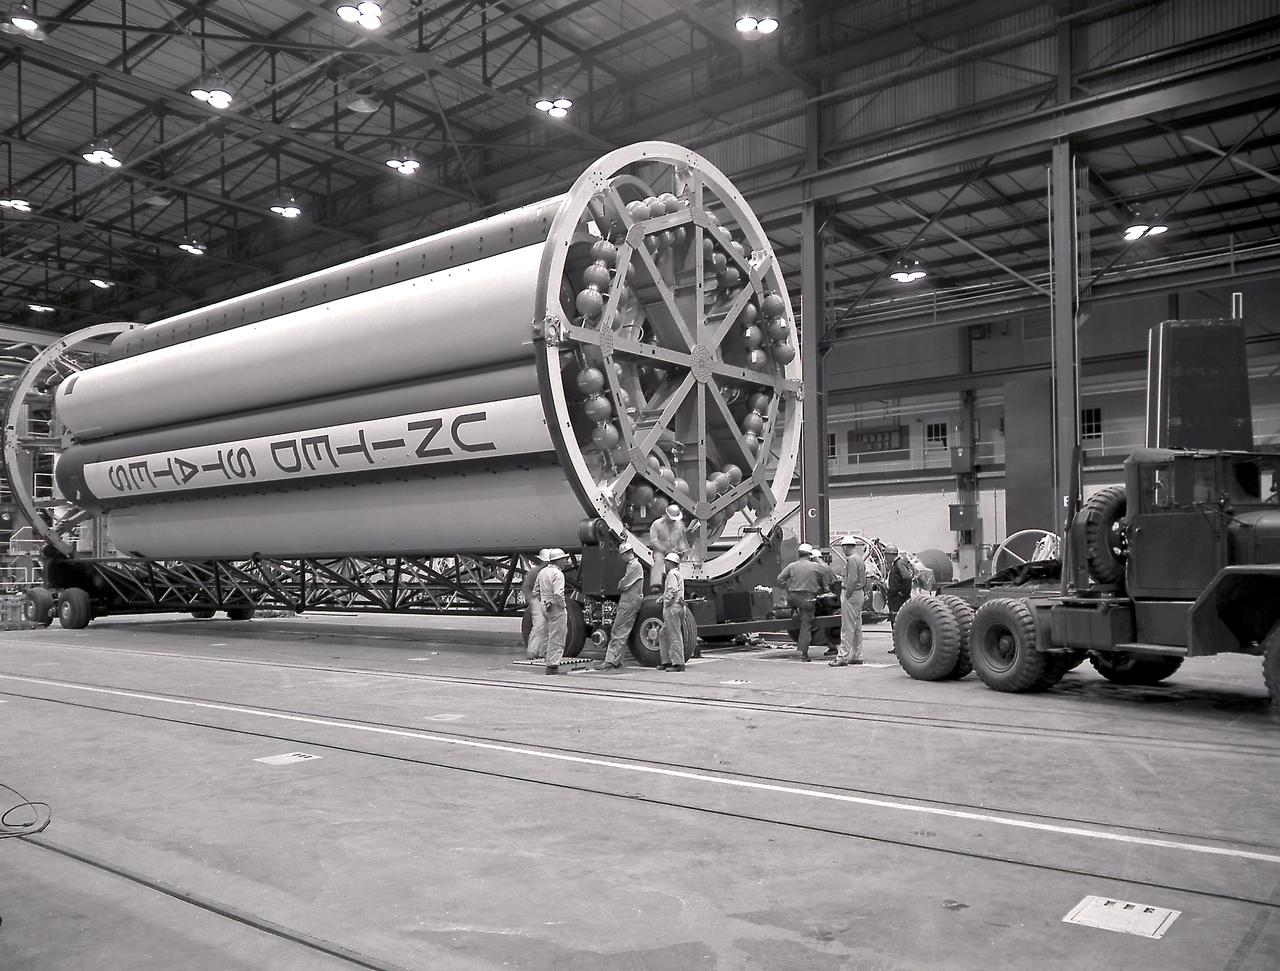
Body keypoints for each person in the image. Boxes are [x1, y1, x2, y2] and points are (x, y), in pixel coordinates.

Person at [777, 543, 834, 661]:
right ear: (809, 555)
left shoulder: (791, 566)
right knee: (806, 625)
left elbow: (779, 579)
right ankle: (804, 654)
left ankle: (795, 613)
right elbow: (828, 572)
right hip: (807, 599)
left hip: (793, 598)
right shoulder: (814, 566)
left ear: (799, 554)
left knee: (796, 607)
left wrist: (787, 588)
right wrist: (818, 559)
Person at [597, 542, 644, 671]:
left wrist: (620, 584)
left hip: (629, 602)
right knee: (622, 631)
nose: (621, 558)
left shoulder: (634, 566)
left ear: (626, 553)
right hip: (630, 601)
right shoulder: (634, 565)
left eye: (622, 555)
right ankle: (617, 660)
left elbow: (623, 585)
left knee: (618, 630)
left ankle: (611, 661)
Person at [832, 536, 867, 667]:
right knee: (857, 627)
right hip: (859, 594)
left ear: (846, 547)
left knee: (847, 627)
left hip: (851, 594)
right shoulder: (859, 559)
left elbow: (851, 580)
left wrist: (846, 595)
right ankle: (857, 655)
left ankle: (842, 657)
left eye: (843, 548)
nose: (843, 550)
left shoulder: (852, 560)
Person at [537, 548, 572, 675]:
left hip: (544, 606)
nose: (565, 561)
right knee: (558, 636)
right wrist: (562, 606)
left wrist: (545, 600)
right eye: (564, 559)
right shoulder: (558, 574)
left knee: (548, 633)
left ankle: (543, 655)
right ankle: (552, 665)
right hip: (555, 607)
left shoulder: (542, 572)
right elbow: (558, 594)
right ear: (558, 560)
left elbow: (536, 591)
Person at [647, 503, 690, 590]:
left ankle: (679, 584)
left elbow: (681, 540)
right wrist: (664, 550)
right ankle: (655, 584)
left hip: (674, 551)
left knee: (677, 563)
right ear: (666, 515)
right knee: (658, 561)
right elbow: (653, 541)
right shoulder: (656, 524)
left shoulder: (680, 524)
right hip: (660, 551)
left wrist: (683, 550)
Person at [657, 551, 686, 672]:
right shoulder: (677, 573)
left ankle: (678, 664)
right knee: (663, 634)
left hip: (672, 609)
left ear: (670, 563)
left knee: (674, 636)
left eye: (666, 562)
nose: (665, 564)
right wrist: (662, 597)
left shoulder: (671, 574)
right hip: (677, 607)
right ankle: (666, 661)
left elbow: (672, 590)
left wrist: (667, 602)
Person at [523, 550, 549, 660]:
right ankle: (532, 651)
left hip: (546, 601)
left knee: (547, 627)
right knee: (539, 626)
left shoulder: (548, 572)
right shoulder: (535, 572)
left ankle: (542, 652)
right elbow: (526, 588)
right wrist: (533, 601)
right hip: (538, 601)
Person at [885, 544, 913, 627]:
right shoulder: (897, 564)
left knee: (898, 623)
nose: (885, 558)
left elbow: (907, 578)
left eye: (886, 555)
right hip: (896, 598)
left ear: (891, 555)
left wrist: (903, 593)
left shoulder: (899, 564)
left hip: (898, 600)